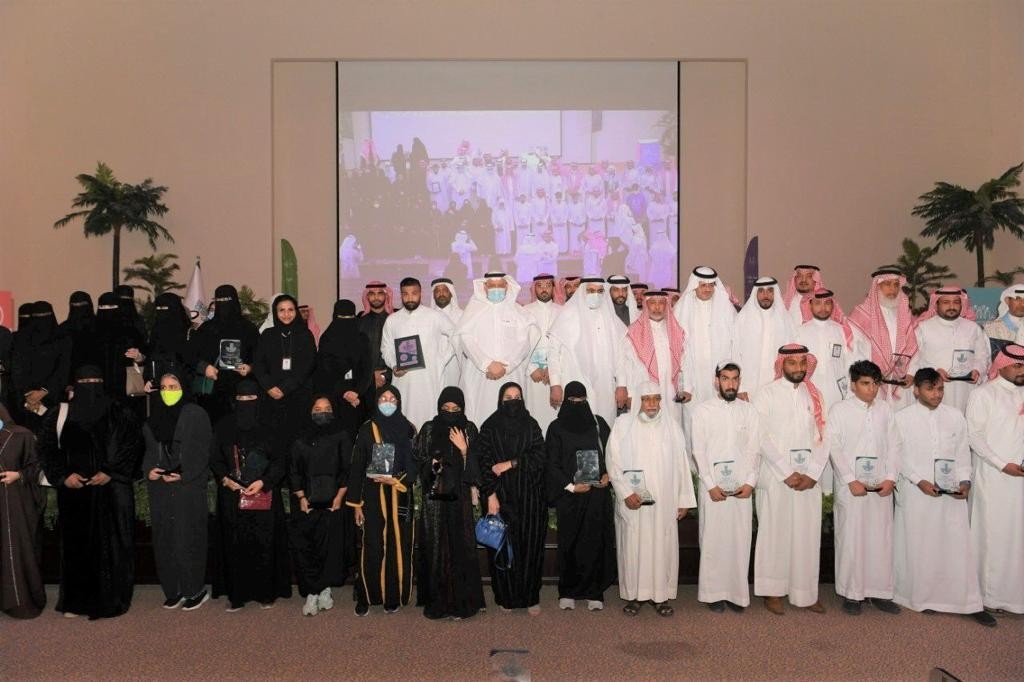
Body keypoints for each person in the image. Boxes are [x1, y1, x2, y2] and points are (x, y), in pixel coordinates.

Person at [37, 365, 142, 619]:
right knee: (76, 547)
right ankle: (76, 602)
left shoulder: (120, 412)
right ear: (75, 385)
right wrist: (63, 476)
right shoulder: (59, 414)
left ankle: (111, 599)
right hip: (75, 492)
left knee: (112, 547)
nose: (90, 387)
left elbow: (132, 445)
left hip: (111, 492)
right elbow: (46, 449)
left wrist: (111, 472)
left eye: (95, 381)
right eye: (85, 382)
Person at [893, 368, 993, 626]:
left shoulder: (955, 416)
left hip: (951, 492)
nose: (937, 394)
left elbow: (962, 453)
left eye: (940, 389)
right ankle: (923, 597)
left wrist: (965, 481)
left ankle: (968, 601)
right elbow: (898, 457)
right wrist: (920, 480)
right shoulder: (902, 418)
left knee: (956, 545)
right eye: (931, 389)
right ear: (916, 390)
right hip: (917, 492)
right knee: (921, 546)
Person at [607, 381, 695, 617]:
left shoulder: (672, 426)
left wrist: (683, 499)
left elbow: (682, 465)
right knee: (634, 546)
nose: (652, 404)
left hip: (664, 502)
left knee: (661, 547)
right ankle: (635, 596)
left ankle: (660, 596)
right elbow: (613, 461)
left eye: (656, 398)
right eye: (646, 399)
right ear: (638, 401)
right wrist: (625, 493)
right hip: (634, 501)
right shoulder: (623, 425)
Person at [752, 344, 828, 615]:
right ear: (781, 364)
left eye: (802, 363)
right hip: (776, 477)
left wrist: (813, 473)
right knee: (775, 534)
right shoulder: (766, 394)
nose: (798, 368)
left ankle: (805, 592)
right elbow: (760, 437)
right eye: (792, 363)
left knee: (807, 535)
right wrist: (786, 471)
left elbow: (825, 436)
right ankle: (772, 591)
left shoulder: (815, 394)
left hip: (808, 478)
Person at [210, 379, 291, 612]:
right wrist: (225, 479)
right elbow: (214, 457)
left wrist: (264, 482)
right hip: (232, 496)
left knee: (264, 543)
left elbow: (281, 460)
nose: (245, 403)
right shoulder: (224, 426)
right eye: (241, 399)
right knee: (235, 544)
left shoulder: (271, 425)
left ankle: (266, 593)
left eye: (250, 398)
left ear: (259, 400)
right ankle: (237, 595)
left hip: (263, 494)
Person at [827, 360, 901, 616]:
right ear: (853, 385)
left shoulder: (886, 410)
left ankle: (879, 592)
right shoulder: (839, 410)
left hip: (880, 486)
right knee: (851, 539)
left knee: (880, 539)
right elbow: (833, 447)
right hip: (852, 487)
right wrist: (850, 479)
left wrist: (891, 477)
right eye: (866, 384)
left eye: (875, 384)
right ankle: (852, 593)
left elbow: (895, 445)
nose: (872, 389)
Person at [690, 363, 760, 612]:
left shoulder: (749, 411)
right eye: (725, 378)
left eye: (735, 379)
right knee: (713, 539)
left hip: (741, 488)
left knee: (740, 539)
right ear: (716, 381)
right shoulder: (702, 411)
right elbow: (698, 451)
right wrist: (710, 485)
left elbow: (755, 450)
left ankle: (736, 594)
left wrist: (750, 482)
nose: (730, 384)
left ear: (740, 381)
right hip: (713, 488)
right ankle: (713, 594)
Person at [142, 370, 212, 610]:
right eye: (163, 387)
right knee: (164, 539)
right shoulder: (154, 416)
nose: (168, 392)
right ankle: (173, 589)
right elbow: (149, 451)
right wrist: (149, 471)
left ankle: (194, 590)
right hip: (160, 488)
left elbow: (203, 451)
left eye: (173, 387)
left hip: (187, 488)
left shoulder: (195, 413)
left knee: (188, 538)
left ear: (184, 388)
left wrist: (185, 474)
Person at [414, 386, 484, 620]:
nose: (451, 412)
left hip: (460, 498)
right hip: (434, 500)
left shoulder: (469, 428)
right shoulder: (429, 429)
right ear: (439, 407)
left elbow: (477, 466)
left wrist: (464, 450)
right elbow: (418, 462)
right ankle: (437, 603)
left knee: (461, 546)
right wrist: (432, 464)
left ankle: (463, 602)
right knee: (436, 548)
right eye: (446, 408)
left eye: (456, 409)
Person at [545, 381, 615, 612]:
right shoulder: (556, 428)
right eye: (573, 401)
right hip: (570, 496)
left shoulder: (598, 423)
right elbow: (551, 463)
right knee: (569, 542)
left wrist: (608, 474)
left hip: (596, 495)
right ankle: (568, 592)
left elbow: (613, 454)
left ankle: (594, 592)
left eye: (582, 401)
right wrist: (571, 486)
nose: (578, 404)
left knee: (594, 541)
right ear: (566, 401)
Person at [478, 382, 547, 614]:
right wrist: (490, 495)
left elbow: (540, 456)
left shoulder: (531, 424)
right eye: (508, 397)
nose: (513, 401)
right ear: (500, 400)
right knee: (502, 548)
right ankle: (505, 596)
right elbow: (483, 462)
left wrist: (510, 463)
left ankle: (530, 597)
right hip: (500, 497)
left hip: (530, 498)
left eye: (517, 396)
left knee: (530, 548)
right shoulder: (489, 426)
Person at [347, 385, 416, 616]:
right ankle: (367, 596)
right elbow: (357, 466)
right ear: (376, 402)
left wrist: (398, 480)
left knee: (398, 544)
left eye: (392, 398)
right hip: (373, 495)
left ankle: (392, 597)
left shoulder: (408, 428)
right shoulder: (368, 429)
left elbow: (416, 463)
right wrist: (356, 504)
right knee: (372, 545)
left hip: (399, 494)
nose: (388, 402)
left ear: (399, 402)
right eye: (383, 398)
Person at [966, 344, 1024, 614]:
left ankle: (1016, 596)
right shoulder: (983, 394)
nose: (1022, 371)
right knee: (993, 536)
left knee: (1017, 537)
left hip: (1019, 480)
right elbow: (974, 436)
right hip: (994, 478)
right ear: (1001, 365)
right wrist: (1002, 464)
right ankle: (989, 597)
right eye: (1018, 365)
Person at [289, 395, 351, 616]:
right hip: (306, 503)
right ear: (310, 411)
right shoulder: (300, 437)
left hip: (333, 502)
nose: (322, 412)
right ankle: (311, 592)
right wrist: (301, 497)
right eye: (317, 408)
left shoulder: (341, 435)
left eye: (327, 408)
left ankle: (324, 590)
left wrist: (339, 497)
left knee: (329, 548)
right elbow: (294, 469)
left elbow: (347, 468)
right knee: (308, 548)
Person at [454, 273, 540, 424]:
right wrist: (486, 364)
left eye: (499, 285)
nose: (496, 289)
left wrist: (507, 366)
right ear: (484, 287)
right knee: (480, 416)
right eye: (492, 286)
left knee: (512, 419)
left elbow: (525, 343)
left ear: (507, 286)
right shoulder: (473, 310)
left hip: (511, 374)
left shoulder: (518, 312)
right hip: (480, 375)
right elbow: (465, 339)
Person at [253, 294, 317, 474]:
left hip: (298, 397)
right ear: (275, 312)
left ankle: (296, 483)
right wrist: (269, 387)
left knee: (297, 442)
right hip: (271, 398)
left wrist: (285, 388)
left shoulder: (305, 334)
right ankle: (273, 481)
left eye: (290, 310)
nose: (286, 314)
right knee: (274, 442)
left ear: (296, 312)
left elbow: (308, 364)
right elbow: (258, 364)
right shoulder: (267, 335)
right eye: (282, 310)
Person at [381, 278, 455, 428]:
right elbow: (386, 348)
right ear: (401, 295)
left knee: (429, 420)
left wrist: (442, 360)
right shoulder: (392, 320)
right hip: (403, 381)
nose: (410, 298)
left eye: (414, 293)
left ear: (420, 293)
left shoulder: (434, 316)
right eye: (405, 294)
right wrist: (394, 365)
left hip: (429, 380)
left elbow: (455, 334)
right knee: (403, 422)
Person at [548, 278, 624, 424]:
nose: (596, 295)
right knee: (574, 427)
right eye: (591, 291)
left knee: (605, 425)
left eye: (600, 291)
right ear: (582, 291)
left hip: (604, 385)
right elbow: (553, 354)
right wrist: (555, 384)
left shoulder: (610, 318)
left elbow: (620, 356)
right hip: (574, 381)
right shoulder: (567, 315)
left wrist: (622, 384)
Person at [909, 287, 989, 413]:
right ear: (936, 304)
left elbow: (982, 356)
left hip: (966, 389)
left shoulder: (973, 328)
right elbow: (914, 360)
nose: (952, 306)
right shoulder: (924, 328)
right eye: (946, 302)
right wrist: (934, 371)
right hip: (934, 389)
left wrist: (977, 370)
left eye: (956, 302)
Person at [848, 268, 919, 409]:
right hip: (872, 382)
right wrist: (870, 374)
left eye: (896, 285)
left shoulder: (905, 314)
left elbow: (913, 347)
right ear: (877, 287)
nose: (892, 289)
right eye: (887, 284)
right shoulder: (861, 315)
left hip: (901, 383)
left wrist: (911, 373)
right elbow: (854, 350)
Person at [189, 284, 260, 424]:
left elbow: (260, 358)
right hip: (212, 391)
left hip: (241, 391)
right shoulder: (206, 329)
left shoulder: (248, 328)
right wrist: (205, 367)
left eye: (227, 300)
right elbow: (192, 356)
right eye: (220, 301)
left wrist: (250, 368)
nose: (224, 305)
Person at [0, 404, 46, 618]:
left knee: (14, 549)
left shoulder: (21, 435)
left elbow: (37, 464)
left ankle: (18, 601)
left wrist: (18, 475)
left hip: (13, 503)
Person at [675, 267, 737, 418]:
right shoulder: (681, 309)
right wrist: (686, 385)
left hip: (720, 375)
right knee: (694, 419)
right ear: (695, 286)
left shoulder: (726, 308)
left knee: (719, 418)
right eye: (703, 285)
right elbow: (678, 350)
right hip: (693, 378)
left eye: (711, 285)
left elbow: (735, 344)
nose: (707, 289)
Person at [616, 290, 687, 423]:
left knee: (672, 427)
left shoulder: (676, 331)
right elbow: (626, 366)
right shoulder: (633, 332)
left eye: (661, 303)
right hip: (643, 391)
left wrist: (685, 388)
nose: (657, 307)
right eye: (653, 303)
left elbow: (685, 362)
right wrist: (630, 394)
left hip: (671, 392)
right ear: (646, 305)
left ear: (666, 305)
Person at [314, 300, 372, 440]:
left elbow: (367, 369)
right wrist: (345, 392)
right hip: (335, 398)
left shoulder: (362, 339)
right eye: (342, 318)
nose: (346, 322)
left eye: (350, 317)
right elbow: (325, 371)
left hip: (359, 400)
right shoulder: (327, 340)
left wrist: (357, 391)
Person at [11, 301, 70, 430]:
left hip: (52, 399)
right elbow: (16, 369)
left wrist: (42, 392)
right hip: (28, 400)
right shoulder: (21, 339)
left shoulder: (62, 339)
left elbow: (63, 370)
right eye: (38, 316)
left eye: (44, 316)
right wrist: (29, 394)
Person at [733, 277, 795, 394]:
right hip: (748, 385)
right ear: (755, 293)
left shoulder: (786, 319)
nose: (765, 295)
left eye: (770, 291)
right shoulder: (742, 318)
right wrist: (739, 388)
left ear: (775, 293)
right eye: (761, 291)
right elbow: (735, 353)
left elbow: (791, 355)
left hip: (777, 384)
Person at [522, 274, 561, 432]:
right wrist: (531, 368)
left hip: (556, 375)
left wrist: (553, 371)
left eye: (548, 285)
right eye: (540, 286)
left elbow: (565, 346)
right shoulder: (524, 311)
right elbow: (519, 345)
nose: (544, 289)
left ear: (553, 288)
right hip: (532, 375)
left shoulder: (563, 312)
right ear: (534, 288)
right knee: (533, 414)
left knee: (555, 417)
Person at [358, 280, 395, 388]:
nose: (376, 297)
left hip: (393, 378)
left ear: (386, 296)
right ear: (367, 297)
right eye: (372, 294)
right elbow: (357, 354)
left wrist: (384, 375)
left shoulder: (395, 321)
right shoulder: (359, 323)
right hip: (365, 380)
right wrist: (371, 374)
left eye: (380, 293)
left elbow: (398, 351)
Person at [59, 290, 97, 378]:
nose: (79, 309)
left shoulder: (63, 328)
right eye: (75, 305)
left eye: (82, 305)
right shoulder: (100, 325)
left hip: (77, 377)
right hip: (80, 377)